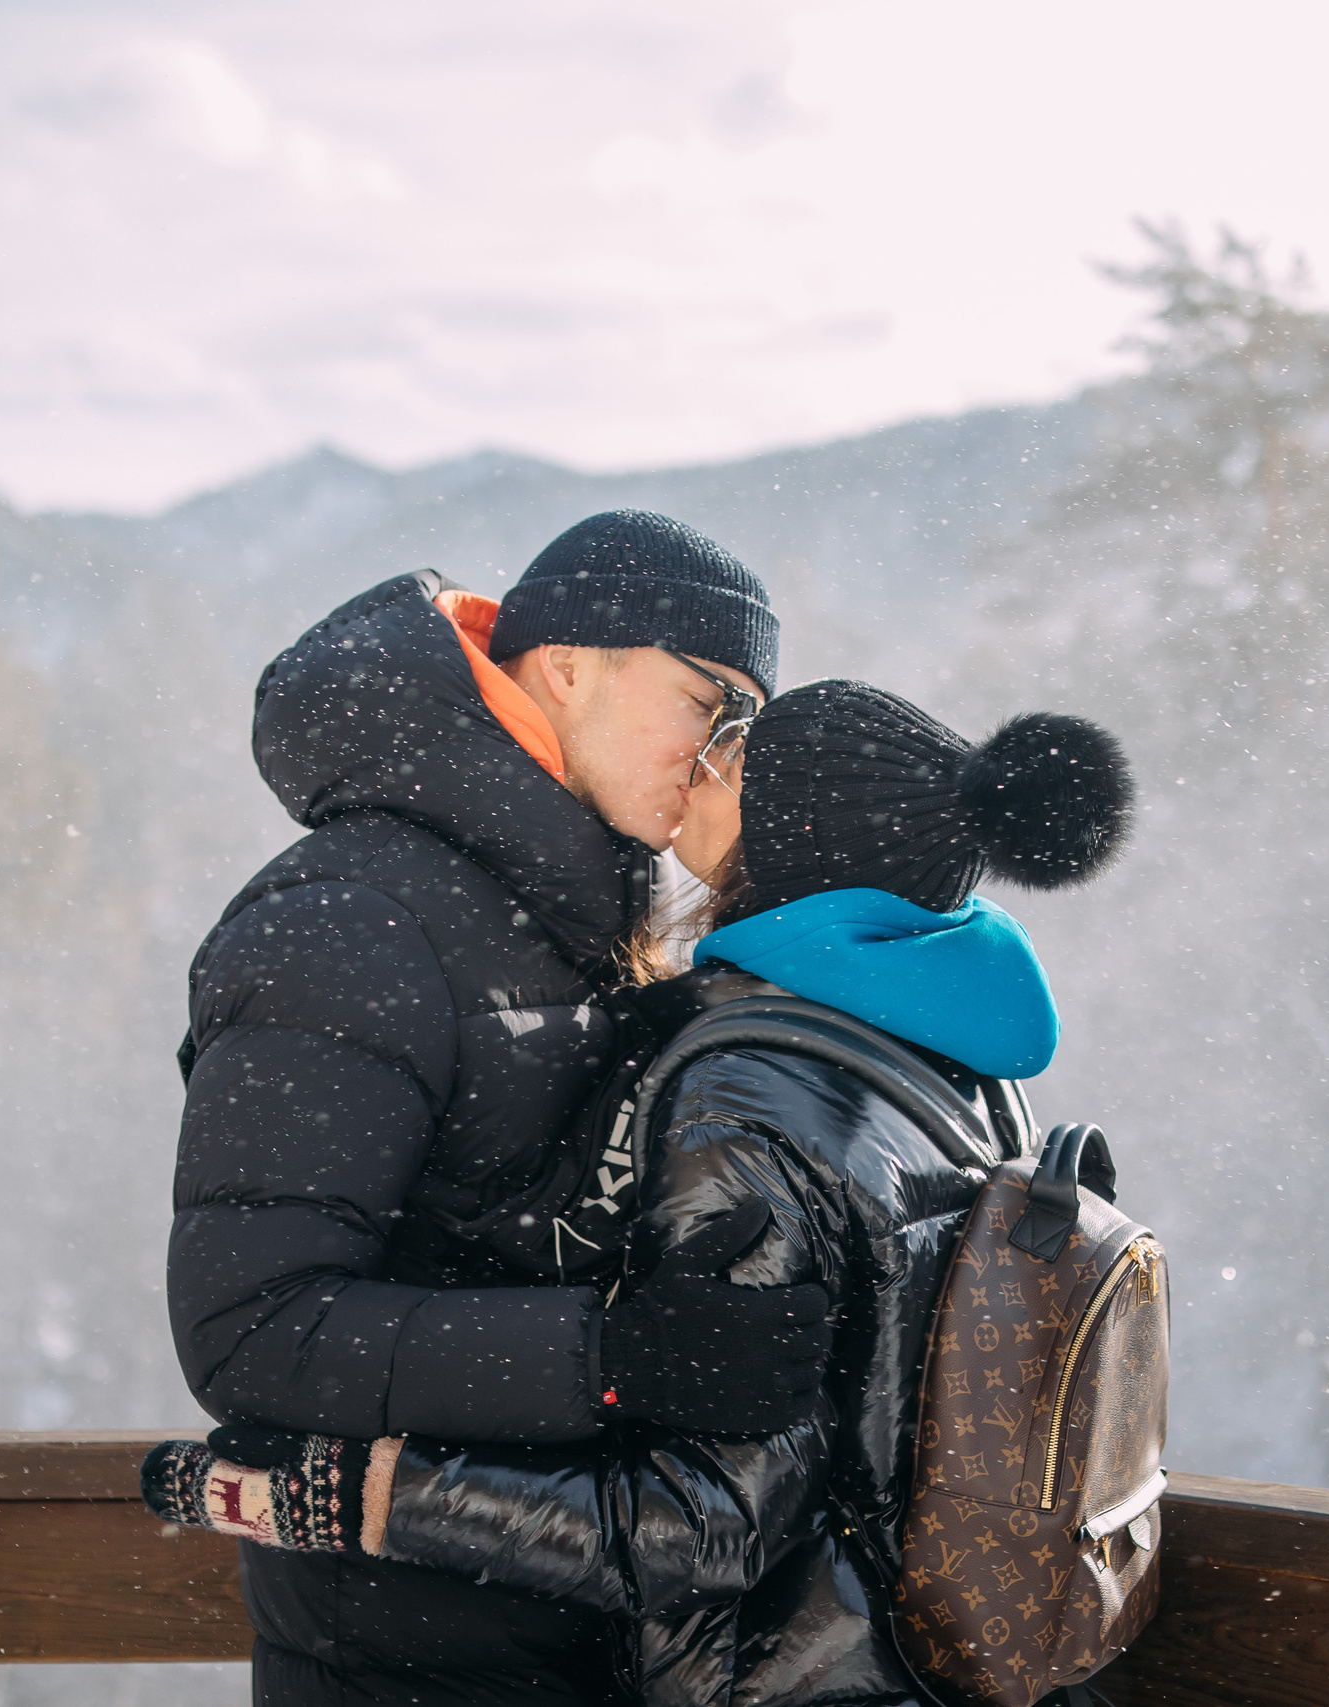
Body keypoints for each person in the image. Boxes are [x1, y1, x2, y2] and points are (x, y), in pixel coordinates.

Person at [153, 677, 1136, 1707]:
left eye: (740, 749)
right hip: (909, 1664)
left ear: (791, 836)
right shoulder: (949, 1064)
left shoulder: (752, 1094)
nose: (703, 760)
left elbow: (698, 1527)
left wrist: (354, 1500)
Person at [169, 510, 841, 1707]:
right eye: (708, 698)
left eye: (747, 721)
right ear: (570, 663)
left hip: (586, 1617)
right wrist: (617, 1358)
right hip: (408, 1649)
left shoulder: (580, 904)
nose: (723, 750)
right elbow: (251, 1331)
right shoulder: (351, 919)